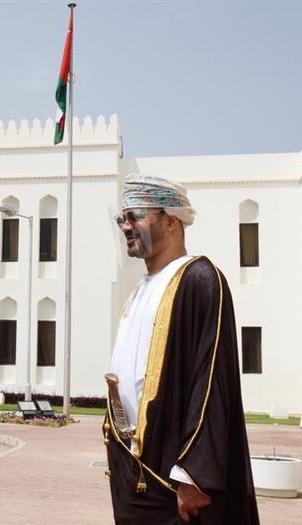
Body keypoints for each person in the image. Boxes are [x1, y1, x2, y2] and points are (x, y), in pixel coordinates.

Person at [104, 174, 259, 524]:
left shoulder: (200, 280)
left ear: (171, 220)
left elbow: (211, 382)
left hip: (176, 483)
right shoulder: (139, 292)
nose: (126, 226)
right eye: (122, 218)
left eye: (136, 216)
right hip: (137, 473)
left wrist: (194, 473)